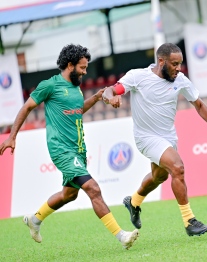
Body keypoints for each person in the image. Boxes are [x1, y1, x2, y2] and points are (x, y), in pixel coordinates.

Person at [0, 44, 139, 249]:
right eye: (82, 68)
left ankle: (35, 220)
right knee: (93, 188)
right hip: (61, 149)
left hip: (78, 150)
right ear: (70, 65)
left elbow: (78, 110)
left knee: (69, 195)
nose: (85, 72)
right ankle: (121, 236)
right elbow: (26, 107)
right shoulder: (49, 85)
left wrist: (98, 96)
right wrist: (12, 136)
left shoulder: (76, 88)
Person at [102, 43, 207, 236]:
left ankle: (133, 202)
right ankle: (189, 222)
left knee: (159, 176)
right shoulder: (138, 76)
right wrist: (111, 97)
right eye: (174, 64)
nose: (179, 68)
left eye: (180, 64)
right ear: (161, 61)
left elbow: (200, 105)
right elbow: (109, 91)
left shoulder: (181, 80)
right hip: (146, 138)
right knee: (178, 167)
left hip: (168, 138)